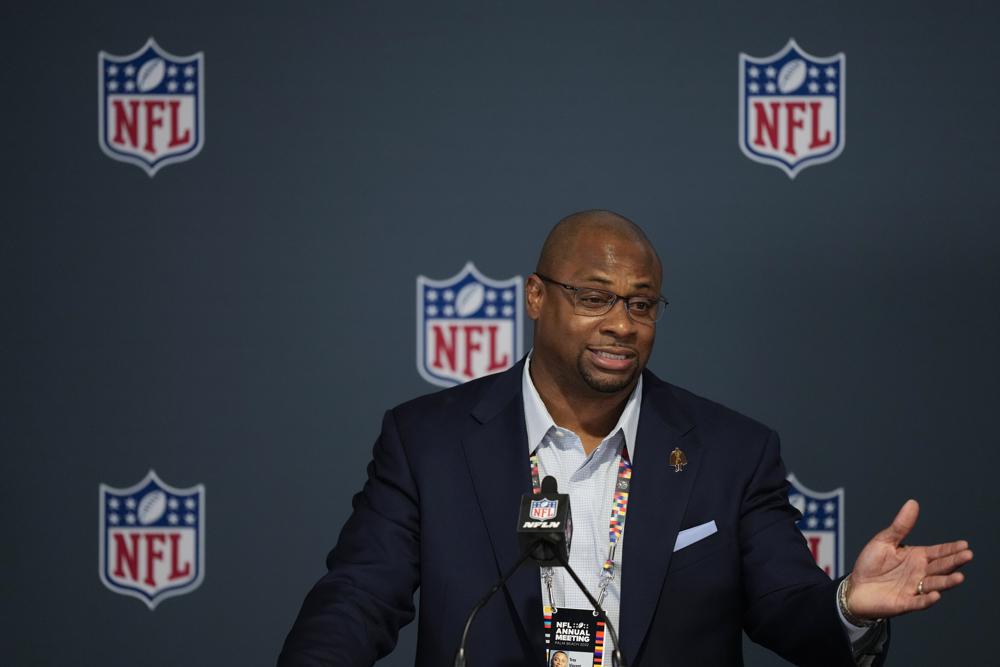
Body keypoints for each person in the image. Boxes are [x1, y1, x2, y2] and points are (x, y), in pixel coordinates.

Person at [278, 210, 973, 666]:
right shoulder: (426, 441)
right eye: (594, 297)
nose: (622, 323)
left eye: (642, 304)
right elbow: (359, 595)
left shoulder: (731, 451)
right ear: (535, 297)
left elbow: (787, 603)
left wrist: (847, 604)